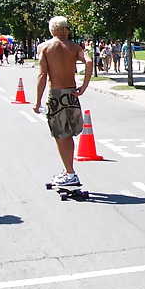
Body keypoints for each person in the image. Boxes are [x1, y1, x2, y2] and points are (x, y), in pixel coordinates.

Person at [34, 16, 92, 188]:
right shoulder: (74, 47)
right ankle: (69, 171)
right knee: (68, 134)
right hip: (71, 94)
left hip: (56, 95)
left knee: (60, 135)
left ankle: (70, 172)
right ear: (64, 29)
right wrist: (83, 86)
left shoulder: (44, 48)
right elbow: (88, 61)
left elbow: (42, 75)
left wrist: (37, 101)